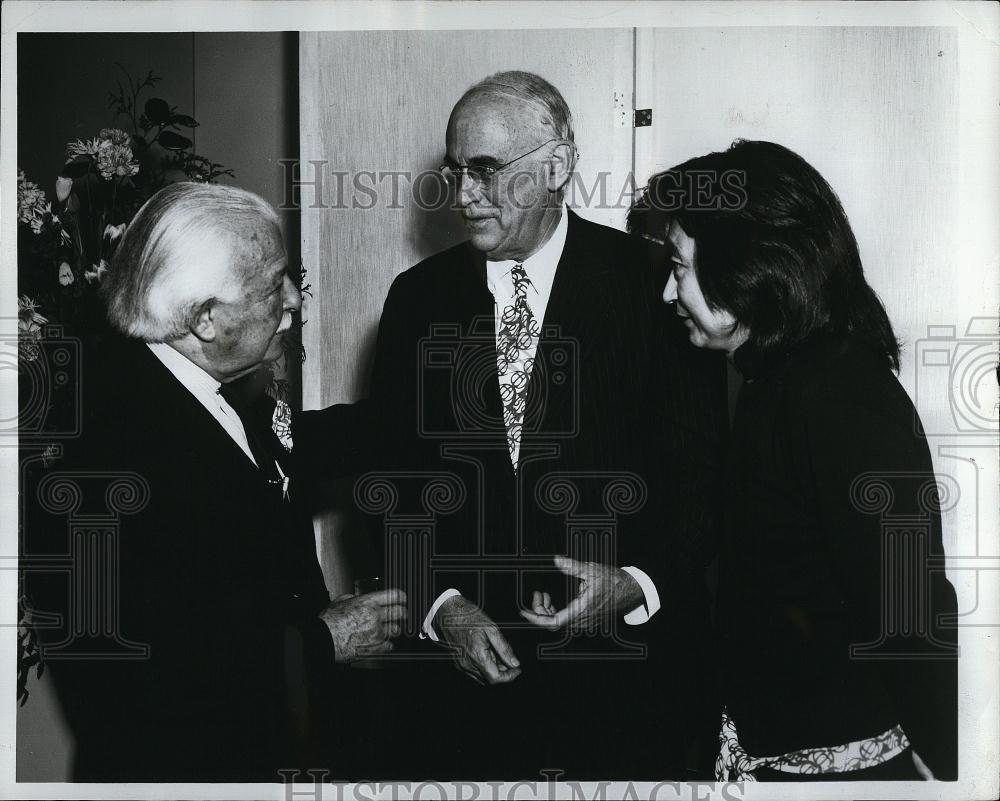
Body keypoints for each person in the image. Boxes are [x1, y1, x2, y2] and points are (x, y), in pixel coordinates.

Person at [310, 71, 727, 778]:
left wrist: (638, 580)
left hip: (626, 692)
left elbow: (703, 468)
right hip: (460, 702)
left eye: (485, 170)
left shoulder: (654, 284)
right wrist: (441, 608)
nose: (464, 194)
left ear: (558, 165)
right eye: (455, 171)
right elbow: (391, 485)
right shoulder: (418, 299)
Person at [22, 182, 407, 781]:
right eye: (271, 285)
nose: (291, 302)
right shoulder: (101, 449)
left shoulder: (179, 386)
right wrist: (321, 641)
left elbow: (281, 449)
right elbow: (139, 673)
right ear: (204, 318)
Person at [628, 139, 958, 781]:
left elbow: (909, 610)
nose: (670, 293)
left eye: (681, 268)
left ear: (750, 266)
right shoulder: (770, 380)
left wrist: (946, 774)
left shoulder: (838, 396)